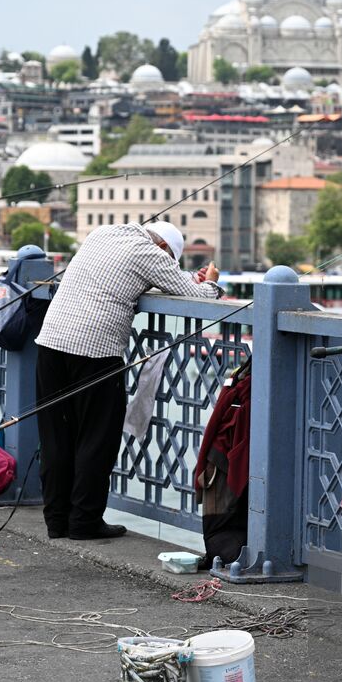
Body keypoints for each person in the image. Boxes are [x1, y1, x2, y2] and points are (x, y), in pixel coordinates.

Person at [35, 221, 222, 540]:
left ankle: (57, 521)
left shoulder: (104, 233)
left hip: (51, 342)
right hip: (95, 351)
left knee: (57, 437)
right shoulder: (152, 254)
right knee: (97, 439)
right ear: (165, 249)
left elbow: (120, 276)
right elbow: (196, 293)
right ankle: (84, 522)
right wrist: (213, 284)